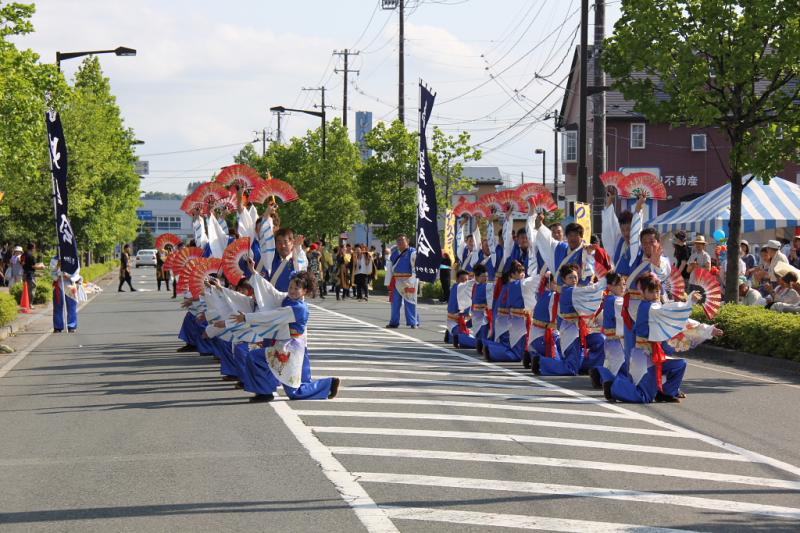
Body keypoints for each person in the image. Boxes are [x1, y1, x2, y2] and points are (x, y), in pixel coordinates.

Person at [606, 275, 722, 403]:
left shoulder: (655, 306)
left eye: (657, 291)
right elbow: (671, 313)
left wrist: (708, 329)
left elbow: (682, 322)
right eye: (651, 291)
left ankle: (666, 393)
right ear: (642, 292)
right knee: (644, 397)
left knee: (679, 365)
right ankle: (614, 387)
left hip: (655, 353)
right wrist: (690, 302)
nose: (656, 294)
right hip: (644, 357)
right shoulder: (649, 308)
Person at [235, 270, 340, 403]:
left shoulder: (297, 308)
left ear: (305, 291)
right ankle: (264, 392)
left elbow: (272, 316)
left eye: (296, 288)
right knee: (257, 358)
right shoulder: (288, 299)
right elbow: (272, 293)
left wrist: (247, 317)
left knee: (294, 391)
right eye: (290, 287)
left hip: (290, 347)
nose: (292, 290)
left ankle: (328, 385)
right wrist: (254, 273)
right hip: (289, 344)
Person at [532, 263, 605, 377]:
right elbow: (589, 292)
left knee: (600, 340)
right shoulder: (568, 291)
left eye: (575, 277)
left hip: (581, 331)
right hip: (570, 333)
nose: (574, 279)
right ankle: (541, 362)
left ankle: (590, 367)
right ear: (564, 279)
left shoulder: (574, 290)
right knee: (571, 368)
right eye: (570, 277)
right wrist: (603, 284)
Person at [589, 271, 626, 388]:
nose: (622, 287)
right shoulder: (615, 300)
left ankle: (599, 374)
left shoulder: (610, 299)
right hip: (616, 340)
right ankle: (601, 376)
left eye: (624, 284)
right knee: (616, 365)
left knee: (613, 364)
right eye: (618, 285)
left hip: (613, 340)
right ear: (609, 286)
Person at [385, 234, 419, 328]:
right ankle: (394, 322)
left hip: (409, 281)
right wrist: (388, 282)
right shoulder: (394, 253)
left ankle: (413, 322)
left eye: (402, 240)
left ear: (407, 241)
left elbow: (416, 267)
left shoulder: (413, 252)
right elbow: (390, 268)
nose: (400, 242)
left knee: (410, 302)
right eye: (398, 240)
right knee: (395, 302)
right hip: (397, 281)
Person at [445, 269, 477, 348]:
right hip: (456, 321)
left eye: (466, 280)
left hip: (464, 321)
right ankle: (457, 337)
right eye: (462, 280)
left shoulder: (463, 288)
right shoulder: (456, 288)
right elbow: (453, 312)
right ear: (457, 280)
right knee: (473, 340)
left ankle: (450, 335)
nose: (465, 282)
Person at [50, 258, 83, 333]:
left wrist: (69, 276)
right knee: (57, 307)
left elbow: (76, 272)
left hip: (70, 285)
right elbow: (52, 272)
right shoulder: (55, 259)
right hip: (59, 284)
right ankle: (58, 326)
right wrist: (58, 275)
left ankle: (71, 326)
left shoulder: (73, 258)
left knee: (71, 306)